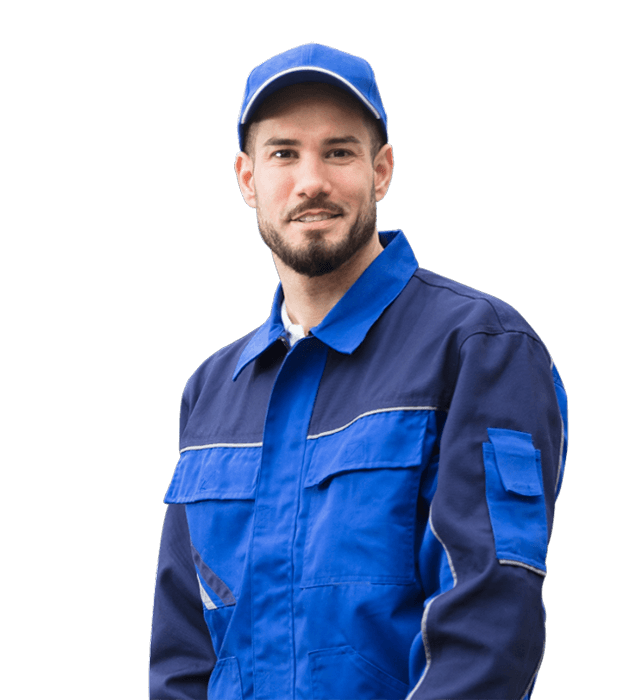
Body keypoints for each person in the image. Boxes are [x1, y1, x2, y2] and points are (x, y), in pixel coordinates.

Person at [149, 43, 568, 700]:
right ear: (247, 178)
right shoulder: (212, 389)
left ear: (382, 171)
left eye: (339, 152)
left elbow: (488, 628)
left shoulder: (479, 348)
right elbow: (182, 653)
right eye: (284, 153)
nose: (311, 180)